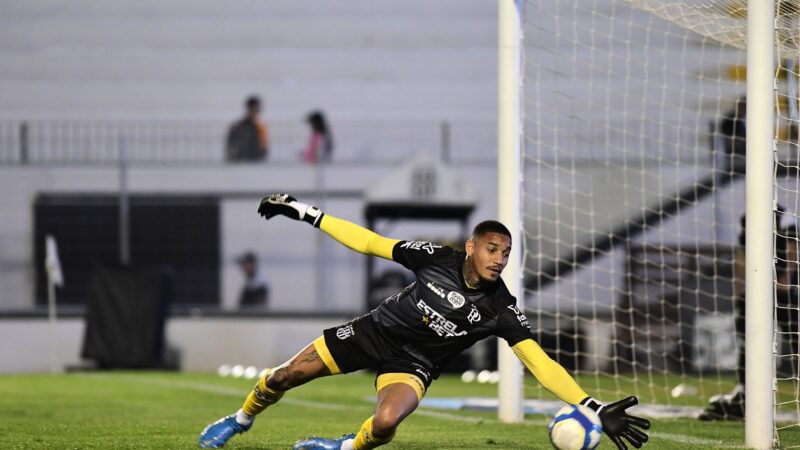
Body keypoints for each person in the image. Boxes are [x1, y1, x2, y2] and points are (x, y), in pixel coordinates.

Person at [198, 194, 651, 449]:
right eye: (493, 249)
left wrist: (590, 405)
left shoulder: (500, 307)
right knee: (284, 376)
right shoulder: (436, 258)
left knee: (386, 424)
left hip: (414, 363)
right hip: (373, 332)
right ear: (472, 248)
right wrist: (308, 213)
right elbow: (370, 242)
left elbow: (539, 362)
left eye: (507, 253)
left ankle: (343, 448)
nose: (500, 259)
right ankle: (240, 419)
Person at [700, 208, 799, 420]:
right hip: (756, 287)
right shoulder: (749, 217)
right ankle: (745, 392)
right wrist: (739, 290)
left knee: (795, 334)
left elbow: (792, 247)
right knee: (747, 337)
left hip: (783, 287)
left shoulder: (785, 214)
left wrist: (786, 278)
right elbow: (743, 254)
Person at [225, 96, 269, 162]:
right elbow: (230, 146)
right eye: (256, 107)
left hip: (257, 161)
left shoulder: (261, 127)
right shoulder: (238, 127)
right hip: (241, 162)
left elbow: (264, 147)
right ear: (249, 108)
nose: (258, 109)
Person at [717, 96, 746, 177]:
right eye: (743, 108)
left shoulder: (742, 121)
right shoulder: (729, 120)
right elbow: (730, 140)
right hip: (734, 159)